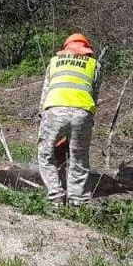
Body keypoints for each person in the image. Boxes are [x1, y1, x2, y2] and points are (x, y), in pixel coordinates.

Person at [36, 32, 100, 206]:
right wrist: (88, 120)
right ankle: (78, 203)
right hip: (82, 113)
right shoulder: (94, 65)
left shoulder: (54, 62)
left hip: (54, 110)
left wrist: (42, 117)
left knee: (45, 154)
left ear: (66, 48)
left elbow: (45, 92)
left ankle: (56, 196)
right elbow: (94, 94)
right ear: (86, 50)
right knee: (79, 158)